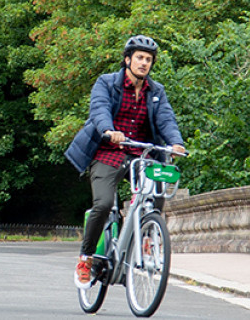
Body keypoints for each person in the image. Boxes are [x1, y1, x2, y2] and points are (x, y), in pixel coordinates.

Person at [64, 35, 186, 289]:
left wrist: (176, 143)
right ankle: (86, 258)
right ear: (128, 59)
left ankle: (146, 235)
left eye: (148, 59)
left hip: (141, 153)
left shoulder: (156, 91)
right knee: (105, 203)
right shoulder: (107, 83)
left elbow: (166, 120)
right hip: (108, 151)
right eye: (139, 58)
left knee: (156, 192)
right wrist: (109, 129)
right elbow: (99, 110)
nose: (144, 63)